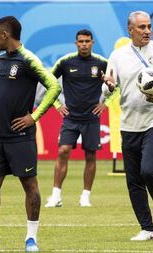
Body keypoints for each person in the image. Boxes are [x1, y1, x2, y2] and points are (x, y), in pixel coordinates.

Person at [0, 16, 61, 252]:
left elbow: (54, 86)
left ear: (6, 35)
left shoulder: (28, 60)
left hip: (20, 136)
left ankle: (31, 239)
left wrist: (34, 116)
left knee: (30, 186)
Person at [102, 11, 153, 241]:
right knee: (134, 178)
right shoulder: (117, 56)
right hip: (129, 123)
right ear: (130, 30)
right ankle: (146, 228)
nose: (147, 31)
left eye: (149, 26)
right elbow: (106, 91)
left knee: (148, 170)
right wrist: (108, 86)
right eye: (142, 27)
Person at [44, 29, 108, 208]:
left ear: (92, 43)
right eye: (81, 41)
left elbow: (116, 85)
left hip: (91, 119)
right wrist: (57, 104)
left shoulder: (102, 63)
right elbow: (47, 81)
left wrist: (106, 103)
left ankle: (85, 196)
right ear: (76, 43)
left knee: (90, 156)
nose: (84, 44)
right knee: (63, 150)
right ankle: (56, 196)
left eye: (87, 41)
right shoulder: (65, 62)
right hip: (71, 118)